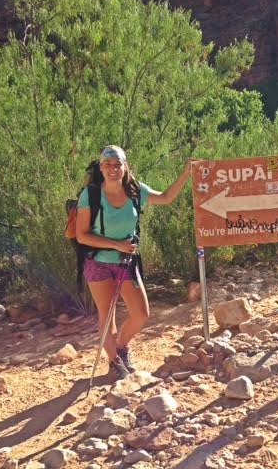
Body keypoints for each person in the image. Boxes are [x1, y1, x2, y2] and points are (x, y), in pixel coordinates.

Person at [76, 145, 191, 380]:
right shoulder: (91, 194)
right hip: (98, 261)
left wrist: (187, 171)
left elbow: (167, 198)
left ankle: (121, 346)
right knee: (106, 314)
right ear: (101, 167)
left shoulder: (136, 191)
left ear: (125, 166)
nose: (113, 169)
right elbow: (82, 235)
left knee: (141, 313)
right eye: (108, 165)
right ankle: (114, 362)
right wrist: (116, 245)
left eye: (117, 164)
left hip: (126, 261)